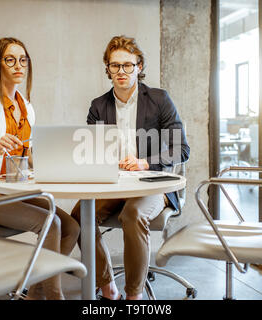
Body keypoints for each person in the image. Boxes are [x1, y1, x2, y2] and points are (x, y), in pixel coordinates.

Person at [0, 37, 80, 300]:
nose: (18, 66)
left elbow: (28, 155)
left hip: (15, 190)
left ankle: (36, 293)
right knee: (52, 222)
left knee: (71, 226)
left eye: (23, 60)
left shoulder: (27, 108)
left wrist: (58, 158)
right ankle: (54, 295)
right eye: (10, 60)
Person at [71, 35, 190, 300]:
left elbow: (181, 149)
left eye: (128, 65)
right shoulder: (98, 106)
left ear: (138, 66)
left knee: (132, 215)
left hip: (153, 185)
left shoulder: (159, 100)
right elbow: (93, 152)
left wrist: (144, 163)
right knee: (79, 216)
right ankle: (107, 288)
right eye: (115, 65)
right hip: (115, 184)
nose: (121, 71)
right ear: (108, 68)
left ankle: (134, 296)